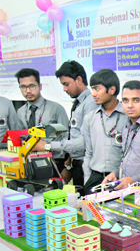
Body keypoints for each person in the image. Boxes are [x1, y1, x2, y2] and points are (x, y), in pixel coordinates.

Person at [34, 60, 97, 193]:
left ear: (79, 80)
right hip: (76, 163)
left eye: (66, 84)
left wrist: (47, 146)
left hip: (88, 165)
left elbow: (85, 142)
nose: (64, 89)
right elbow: (74, 135)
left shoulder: (90, 103)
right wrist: (68, 165)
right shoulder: (79, 103)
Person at [82, 69, 129, 194]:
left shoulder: (128, 117)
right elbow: (88, 152)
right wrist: (87, 179)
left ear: (112, 90)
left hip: (119, 179)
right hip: (95, 178)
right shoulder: (90, 118)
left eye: (97, 89)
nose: (93, 94)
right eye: (92, 89)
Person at [15, 68, 70, 173]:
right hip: (29, 161)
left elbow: (66, 137)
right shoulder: (20, 112)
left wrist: (66, 167)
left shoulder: (56, 109)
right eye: (23, 87)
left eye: (32, 86)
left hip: (54, 161)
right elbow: (21, 137)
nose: (28, 91)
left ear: (40, 86)